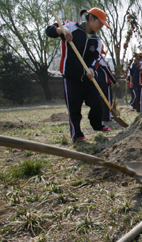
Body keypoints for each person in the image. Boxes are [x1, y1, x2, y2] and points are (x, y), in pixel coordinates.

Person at [46, 8, 111, 142]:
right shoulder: (70, 26)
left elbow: (95, 58)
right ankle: (77, 134)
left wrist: (92, 68)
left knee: (97, 101)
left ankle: (97, 125)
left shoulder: (96, 40)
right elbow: (50, 30)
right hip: (71, 77)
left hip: (87, 78)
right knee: (74, 107)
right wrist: (62, 31)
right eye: (100, 23)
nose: (101, 27)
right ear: (91, 18)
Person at [95, 49, 119, 122]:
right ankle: (107, 118)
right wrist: (114, 81)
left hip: (98, 81)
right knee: (107, 100)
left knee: (102, 100)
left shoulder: (93, 58)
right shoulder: (99, 57)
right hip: (104, 82)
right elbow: (107, 69)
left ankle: (102, 116)